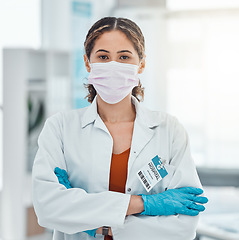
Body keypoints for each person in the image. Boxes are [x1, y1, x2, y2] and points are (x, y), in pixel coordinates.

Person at [32, 17, 208, 240]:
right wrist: (143, 204)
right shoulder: (60, 128)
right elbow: (48, 208)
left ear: (141, 64)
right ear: (88, 63)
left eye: (124, 57)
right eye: (103, 57)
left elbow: (184, 226)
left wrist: (93, 224)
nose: (113, 66)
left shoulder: (169, 130)